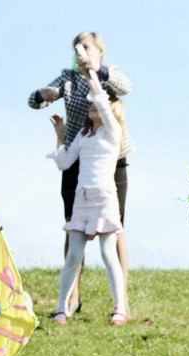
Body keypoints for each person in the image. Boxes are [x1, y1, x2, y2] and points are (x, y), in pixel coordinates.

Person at [28, 32, 133, 314]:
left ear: (99, 50)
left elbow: (126, 88)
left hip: (113, 157)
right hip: (78, 155)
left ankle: (121, 302)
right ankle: (72, 298)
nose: (79, 52)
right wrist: (43, 95)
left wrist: (96, 70)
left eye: (85, 47)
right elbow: (33, 101)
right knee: (73, 225)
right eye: (76, 48)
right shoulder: (67, 78)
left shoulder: (111, 74)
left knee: (116, 225)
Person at [46, 69, 127, 325]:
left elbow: (103, 104)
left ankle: (120, 308)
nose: (93, 105)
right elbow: (65, 162)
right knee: (74, 254)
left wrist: (91, 75)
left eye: (97, 104)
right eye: (90, 104)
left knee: (107, 252)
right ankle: (61, 308)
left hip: (104, 198)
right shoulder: (83, 135)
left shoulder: (112, 133)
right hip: (83, 198)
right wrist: (60, 136)